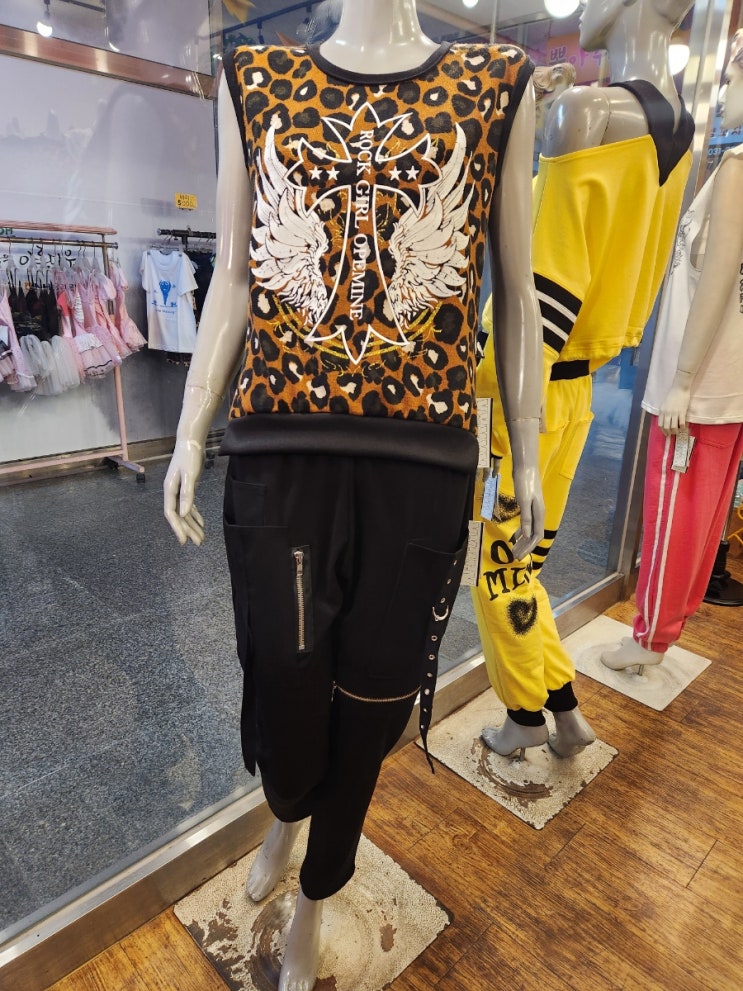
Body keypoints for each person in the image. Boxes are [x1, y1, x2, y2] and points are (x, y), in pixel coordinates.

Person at [163, 2, 545, 988]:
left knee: (373, 698)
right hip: (282, 459)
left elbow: (515, 290)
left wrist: (528, 453)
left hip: (419, 470)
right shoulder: (255, 81)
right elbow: (236, 277)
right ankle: (286, 816)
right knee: (286, 675)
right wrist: (191, 424)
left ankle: (317, 891)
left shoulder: (496, 84)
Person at [472, 0, 695, 761]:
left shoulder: (586, 111)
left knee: (498, 571)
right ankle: (563, 712)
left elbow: (545, 283)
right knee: (524, 566)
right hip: (576, 385)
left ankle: (524, 717)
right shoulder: (679, 131)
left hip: (521, 386)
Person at [601, 30, 743, 673]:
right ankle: (663, 629)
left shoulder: (736, 168)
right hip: (724, 381)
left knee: (674, 514)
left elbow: (717, 277)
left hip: (701, 385)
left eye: (733, 77)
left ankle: (649, 638)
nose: (725, 90)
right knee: (700, 518)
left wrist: (683, 378)